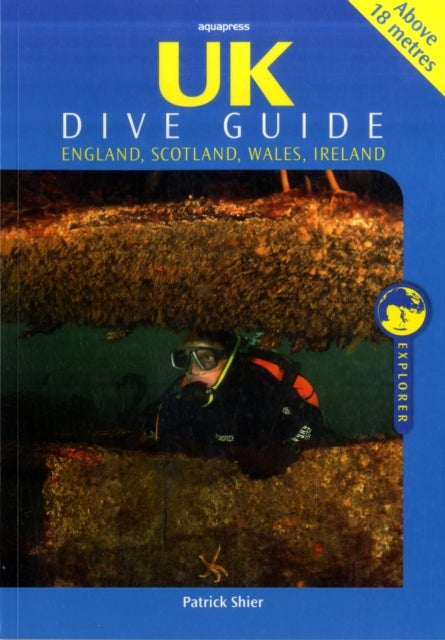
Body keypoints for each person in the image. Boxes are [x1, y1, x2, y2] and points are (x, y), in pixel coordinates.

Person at [143, 330, 336, 478]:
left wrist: (284, 452)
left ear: (228, 361)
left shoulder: (259, 391)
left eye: (206, 358)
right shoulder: (181, 401)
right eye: (185, 358)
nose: (193, 370)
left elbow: (314, 427)